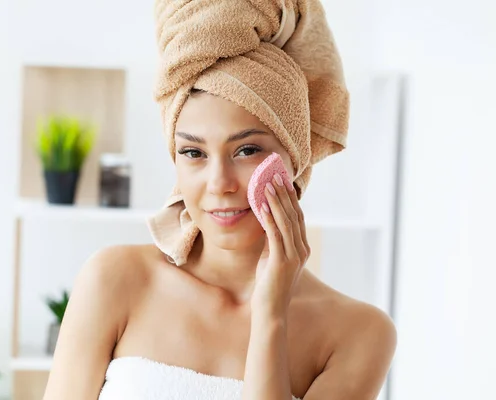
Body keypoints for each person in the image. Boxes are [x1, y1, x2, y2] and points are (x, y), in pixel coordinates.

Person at [42, 0, 396, 399]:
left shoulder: (358, 333)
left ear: (293, 157)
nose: (219, 183)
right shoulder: (115, 279)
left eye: (246, 150)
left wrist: (271, 314)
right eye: (194, 153)